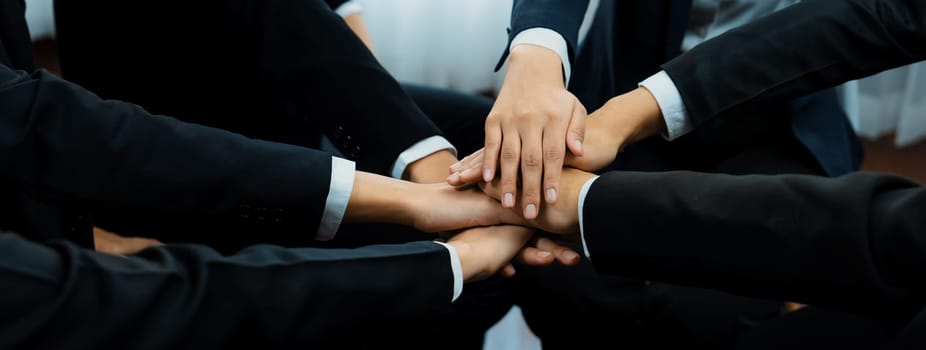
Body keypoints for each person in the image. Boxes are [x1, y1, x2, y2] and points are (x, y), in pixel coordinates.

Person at [0, 0, 570, 347]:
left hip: (65, 144)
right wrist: (436, 231)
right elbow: (53, 126)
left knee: (474, 149)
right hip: (158, 108)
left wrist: (431, 174)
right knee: (466, 276)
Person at [480, 0, 926, 347]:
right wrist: (536, 56)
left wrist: (628, 118)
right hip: (618, 81)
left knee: (715, 304)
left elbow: (881, 13)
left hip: (779, 114)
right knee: (564, 285)